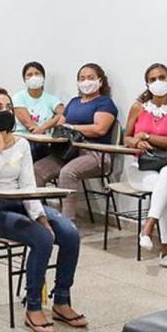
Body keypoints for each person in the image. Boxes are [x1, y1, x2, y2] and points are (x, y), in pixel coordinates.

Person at [0, 88, 86, 332]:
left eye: (8, 106)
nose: (5, 111)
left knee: (70, 234)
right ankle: (34, 306)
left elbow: (29, 186)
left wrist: (40, 216)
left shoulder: (21, 144)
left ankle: (61, 300)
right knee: (42, 239)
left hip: (23, 203)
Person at [123, 63, 167, 267]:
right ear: (147, 84)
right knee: (165, 185)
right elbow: (126, 138)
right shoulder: (137, 108)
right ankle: (166, 247)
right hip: (142, 167)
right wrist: (135, 141)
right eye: (152, 79)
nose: (157, 82)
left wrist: (147, 136)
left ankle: (148, 227)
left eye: (162, 77)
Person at [33, 63, 119, 219]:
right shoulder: (74, 102)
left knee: (68, 173)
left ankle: (67, 223)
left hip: (94, 153)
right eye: (82, 78)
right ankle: (42, 217)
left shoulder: (105, 103)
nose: (86, 81)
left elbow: (100, 129)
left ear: (100, 81)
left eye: (90, 78)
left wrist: (73, 128)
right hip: (67, 151)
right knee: (36, 170)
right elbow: (61, 126)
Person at [12, 61, 65, 160]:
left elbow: (63, 114)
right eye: (29, 75)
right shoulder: (18, 97)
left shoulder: (50, 98)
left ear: (43, 78)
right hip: (22, 138)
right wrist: (40, 128)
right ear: (24, 79)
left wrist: (44, 126)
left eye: (37, 73)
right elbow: (29, 124)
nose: (34, 77)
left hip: (44, 140)